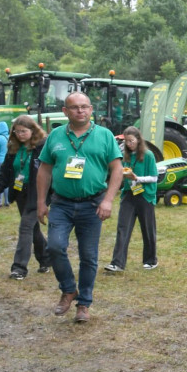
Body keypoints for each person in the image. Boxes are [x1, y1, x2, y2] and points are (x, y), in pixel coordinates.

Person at [36, 92, 123, 324]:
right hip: (61, 203)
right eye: (74, 107)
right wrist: (41, 201)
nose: (80, 111)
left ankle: (84, 303)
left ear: (91, 109)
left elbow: (117, 169)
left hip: (93, 204)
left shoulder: (104, 136)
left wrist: (108, 200)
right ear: (65, 111)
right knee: (54, 246)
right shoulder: (55, 136)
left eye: (84, 107)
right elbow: (44, 169)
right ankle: (68, 289)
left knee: (88, 256)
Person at [0, 115, 51, 280]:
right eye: (17, 132)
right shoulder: (14, 148)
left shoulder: (43, 147)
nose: (20, 134)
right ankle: (46, 259)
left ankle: (19, 268)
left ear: (33, 130)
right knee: (33, 228)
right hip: (20, 191)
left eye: (24, 131)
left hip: (38, 193)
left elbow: (51, 170)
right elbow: (5, 172)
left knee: (25, 227)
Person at [105, 126, 158, 272]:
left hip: (145, 195)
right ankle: (117, 263)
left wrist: (137, 178)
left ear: (138, 140)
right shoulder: (124, 156)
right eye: (126, 141)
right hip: (129, 194)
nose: (129, 144)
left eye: (131, 141)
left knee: (147, 229)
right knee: (123, 227)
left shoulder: (148, 155)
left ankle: (151, 260)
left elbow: (154, 177)